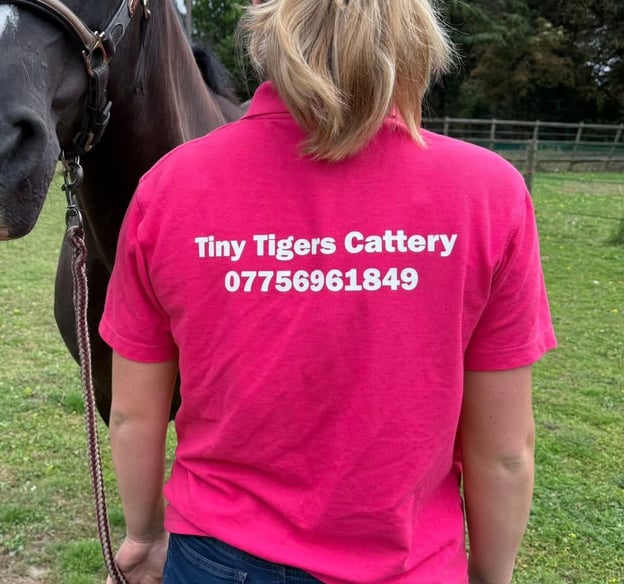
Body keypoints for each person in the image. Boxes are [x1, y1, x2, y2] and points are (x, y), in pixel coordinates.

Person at [100, 0, 557, 582]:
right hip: (411, 565)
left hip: (217, 555)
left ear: (268, 34)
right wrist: (492, 575)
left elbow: (134, 416)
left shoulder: (170, 188)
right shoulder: (489, 194)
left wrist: (143, 534)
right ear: (418, 35)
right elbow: (505, 451)